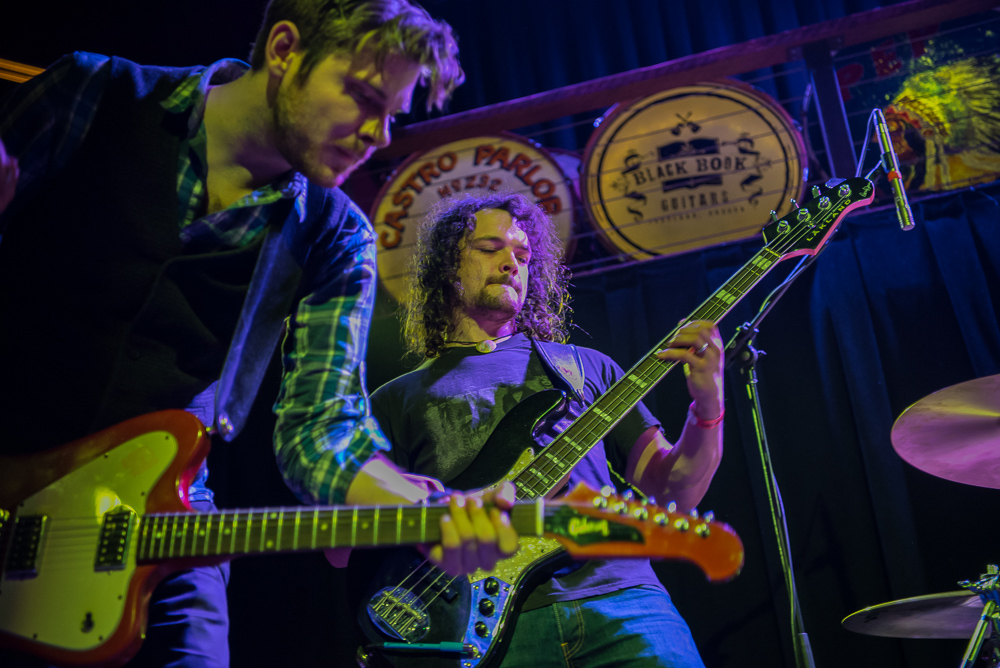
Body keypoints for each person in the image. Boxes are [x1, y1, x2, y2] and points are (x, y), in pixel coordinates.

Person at [0, 2, 516, 666]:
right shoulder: (94, 90)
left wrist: (429, 511)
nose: (380, 134)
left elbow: (321, 432)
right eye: (362, 96)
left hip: (160, 520)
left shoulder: (335, 235)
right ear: (282, 50)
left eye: (392, 112)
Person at [366, 191, 725, 667]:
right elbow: (346, 546)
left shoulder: (585, 368)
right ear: (448, 265)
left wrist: (708, 402)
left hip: (624, 603)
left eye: (522, 254)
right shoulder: (395, 399)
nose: (511, 263)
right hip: (490, 627)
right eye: (490, 248)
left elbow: (675, 491)